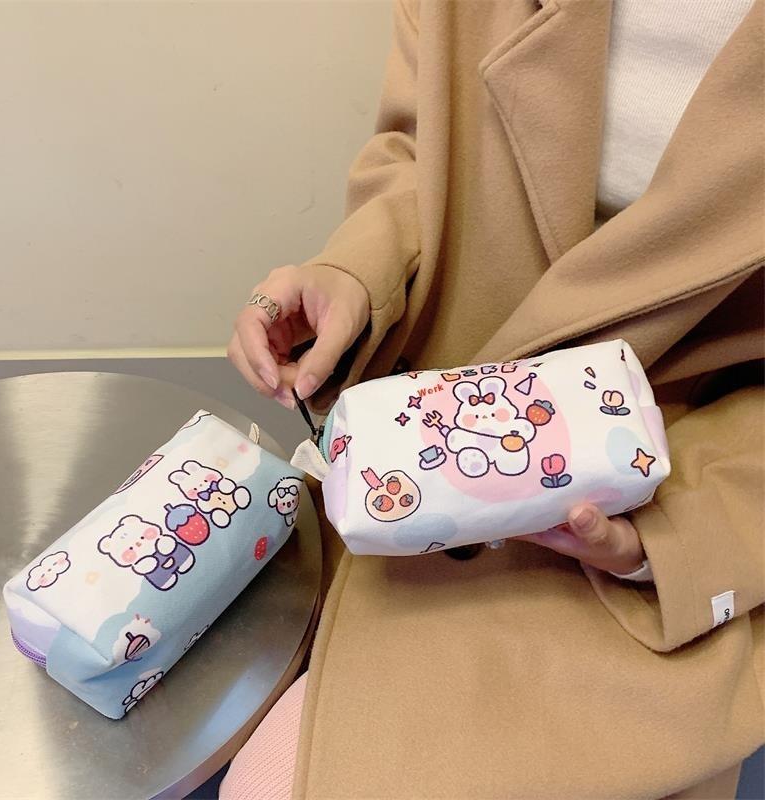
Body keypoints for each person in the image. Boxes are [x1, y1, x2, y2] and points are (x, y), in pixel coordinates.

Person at [223, 0, 764, 797]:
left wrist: (671, 538)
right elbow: (420, 156)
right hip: (426, 440)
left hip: (685, 483)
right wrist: (356, 272)